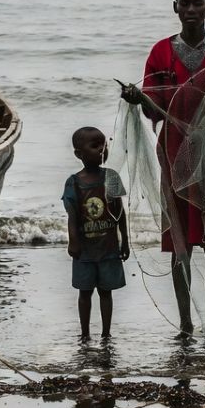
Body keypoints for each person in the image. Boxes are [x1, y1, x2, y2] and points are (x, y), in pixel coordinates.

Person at [120, 0, 205, 337]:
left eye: (197, 3)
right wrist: (138, 98)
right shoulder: (160, 52)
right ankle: (186, 323)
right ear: (175, 7)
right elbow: (155, 109)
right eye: (184, 3)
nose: (191, 9)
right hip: (174, 158)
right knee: (180, 246)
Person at [62, 126, 130, 341]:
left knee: (106, 292)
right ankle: (84, 334)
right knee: (84, 292)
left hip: (108, 247)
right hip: (85, 250)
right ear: (79, 154)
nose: (101, 149)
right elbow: (72, 217)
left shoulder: (111, 177)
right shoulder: (73, 182)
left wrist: (125, 240)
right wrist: (73, 242)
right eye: (95, 146)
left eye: (104, 145)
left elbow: (120, 213)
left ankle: (106, 333)